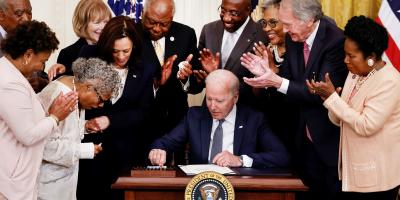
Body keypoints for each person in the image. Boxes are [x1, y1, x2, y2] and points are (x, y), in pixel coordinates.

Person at [240, 0, 348, 199]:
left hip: (329, 142)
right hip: (301, 140)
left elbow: (318, 92)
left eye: (287, 24)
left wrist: (277, 81)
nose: (285, 30)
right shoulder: (294, 38)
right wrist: (267, 76)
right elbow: (288, 85)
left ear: (308, 20)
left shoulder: (336, 41)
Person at [307, 15, 400, 200]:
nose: (345, 60)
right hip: (352, 174)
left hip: (376, 181)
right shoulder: (355, 74)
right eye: (345, 54)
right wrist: (328, 98)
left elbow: (366, 125)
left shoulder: (390, 81)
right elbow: (338, 120)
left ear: (372, 57)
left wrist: (333, 98)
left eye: (351, 56)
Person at [77, 16, 154, 200]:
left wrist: (110, 120)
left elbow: (144, 112)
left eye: (125, 51)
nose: (120, 57)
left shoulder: (145, 68)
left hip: (127, 155)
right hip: (91, 153)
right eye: (115, 51)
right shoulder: (89, 56)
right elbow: (77, 94)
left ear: (134, 45)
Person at [149, 69, 289, 168]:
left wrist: (240, 160)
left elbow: (281, 156)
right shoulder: (194, 116)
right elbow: (164, 143)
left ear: (235, 97)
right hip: (199, 188)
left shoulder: (254, 119)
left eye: (220, 101)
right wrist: (158, 150)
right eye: (209, 99)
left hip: (240, 188)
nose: (212, 106)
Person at [0, 20, 77, 200]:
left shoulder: (10, 73)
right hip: (10, 184)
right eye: (42, 61)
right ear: (28, 54)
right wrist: (55, 117)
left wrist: (49, 112)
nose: (42, 68)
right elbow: (28, 135)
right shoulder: (10, 83)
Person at [37, 57, 120, 200]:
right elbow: (43, 145)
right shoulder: (59, 94)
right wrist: (86, 150)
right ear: (88, 87)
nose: (100, 106)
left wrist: (85, 126)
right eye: (101, 100)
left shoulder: (74, 89)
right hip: (46, 188)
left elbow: (63, 131)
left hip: (61, 185)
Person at [139, 0, 202, 165]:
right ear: (143, 14)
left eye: (164, 24)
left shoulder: (186, 34)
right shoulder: (132, 34)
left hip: (176, 123)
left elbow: (196, 86)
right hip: (141, 122)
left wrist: (186, 78)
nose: (157, 28)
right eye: (151, 22)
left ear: (171, 18)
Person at [179, 0, 268, 108]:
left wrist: (217, 76)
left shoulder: (262, 35)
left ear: (248, 9)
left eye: (233, 13)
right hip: (210, 111)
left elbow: (260, 90)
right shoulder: (209, 30)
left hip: (244, 113)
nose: (226, 18)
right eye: (223, 10)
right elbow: (197, 85)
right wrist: (187, 77)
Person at [47, 0, 111, 79]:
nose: (103, 27)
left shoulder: (113, 49)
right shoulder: (67, 54)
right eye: (97, 22)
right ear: (83, 23)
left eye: (106, 22)